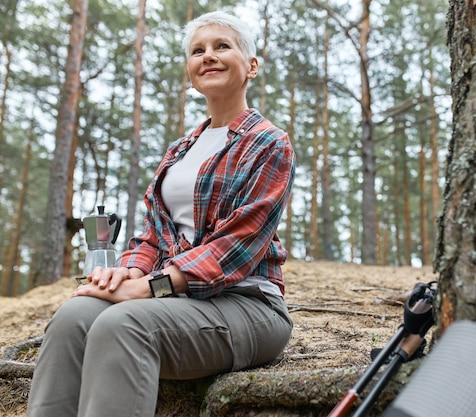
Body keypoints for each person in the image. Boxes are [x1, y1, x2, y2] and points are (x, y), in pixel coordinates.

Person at [27, 10, 295, 417]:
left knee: (124, 325)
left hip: (247, 305)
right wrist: (129, 272)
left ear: (252, 66)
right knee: (74, 315)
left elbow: (236, 245)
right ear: (190, 72)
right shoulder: (181, 149)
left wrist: (151, 287)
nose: (208, 56)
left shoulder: (269, 144)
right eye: (197, 51)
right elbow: (153, 232)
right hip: (173, 298)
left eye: (222, 46)